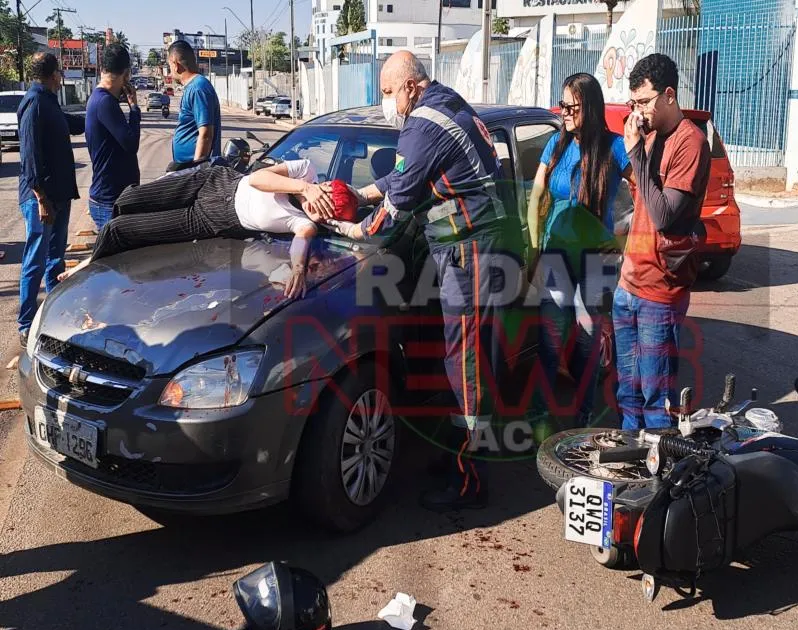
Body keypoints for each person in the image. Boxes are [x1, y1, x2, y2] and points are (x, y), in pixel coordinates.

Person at [332, 50, 515, 512]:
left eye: (390, 92)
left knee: (466, 367)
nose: (386, 102)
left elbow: (395, 211)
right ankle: (460, 456)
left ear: (411, 86)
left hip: (469, 251)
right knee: (466, 359)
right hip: (478, 245)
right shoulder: (445, 103)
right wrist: (359, 193)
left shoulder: (422, 124)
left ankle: (471, 480)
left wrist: (354, 230)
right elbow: (401, 177)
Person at [58, 161, 335, 299]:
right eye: (320, 202)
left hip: (207, 220)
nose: (316, 211)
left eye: (324, 214)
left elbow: (301, 245)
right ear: (323, 188)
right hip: (210, 182)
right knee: (127, 200)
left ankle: (87, 263)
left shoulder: (303, 224)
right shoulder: (305, 172)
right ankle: (100, 252)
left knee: (121, 230)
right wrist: (303, 188)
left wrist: (298, 269)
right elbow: (257, 178)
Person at [527, 72, 632, 435]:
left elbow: (648, 192)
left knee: (587, 346)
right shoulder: (555, 144)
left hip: (596, 263)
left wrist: (624, 241)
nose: (565, 112)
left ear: (589, 105)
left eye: (572, 106)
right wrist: (535, 247)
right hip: (556, 257)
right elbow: (537, 194)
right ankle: (540, 417)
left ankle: (583, 419)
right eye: (563, 105)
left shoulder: (615, 148)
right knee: (549, 343)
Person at [616, 54, 711, 430]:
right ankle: (629, 467)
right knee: (627, 392)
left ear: (669, 94)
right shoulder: (650, 136)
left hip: (660, 291)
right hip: (629, 283)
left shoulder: (691, 142)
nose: (638, 111)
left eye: (643, 101)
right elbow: (639, 204)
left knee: (656, 398)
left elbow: (664, 215)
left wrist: (636, 152)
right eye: (633, 102)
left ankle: (658, 478)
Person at [15, 53, 85, 348]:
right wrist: (42, 199)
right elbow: (30, 158)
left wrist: (95, 113)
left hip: (57, 196)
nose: (62, 78)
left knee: (55, 259)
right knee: (36, 259)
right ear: (53, 74)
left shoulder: (48, 101)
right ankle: (26, 323)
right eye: (60, 72)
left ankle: (54, 316)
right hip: (41, 201)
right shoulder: (34, 103)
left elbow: (69, 124)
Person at [85, 43, 141, 232]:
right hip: (109, 202)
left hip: (111, 199)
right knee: (116, 261)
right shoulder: (105, 103)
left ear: (102, 69)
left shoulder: (101, 99)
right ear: (126, 74)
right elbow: (131, 143)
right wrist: (134, 109)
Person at [168, 40, 221, 166]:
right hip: (185, 166)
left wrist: (196, 170)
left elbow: (206, 134)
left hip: (193, 169)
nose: (170, 70)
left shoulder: (198, 88)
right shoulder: (193, 87)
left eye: (169, 65)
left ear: (175, 64)